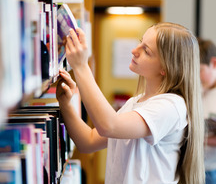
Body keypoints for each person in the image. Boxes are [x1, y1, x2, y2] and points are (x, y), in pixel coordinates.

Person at [56, 22, 205, 184]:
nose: (134, 50)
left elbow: (109, 125)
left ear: (165, 68)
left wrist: (81, 66)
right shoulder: (135, 103)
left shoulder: (172, 106)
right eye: (140, 42)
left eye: (146, 51)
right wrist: (66, 104)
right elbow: (88, 141)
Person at [198, 38, 216, 184]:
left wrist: (200, 140)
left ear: (214, 63)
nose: (196, 76)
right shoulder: (197, 91)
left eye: (200, 70)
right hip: (193, 167)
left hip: (211, 169)